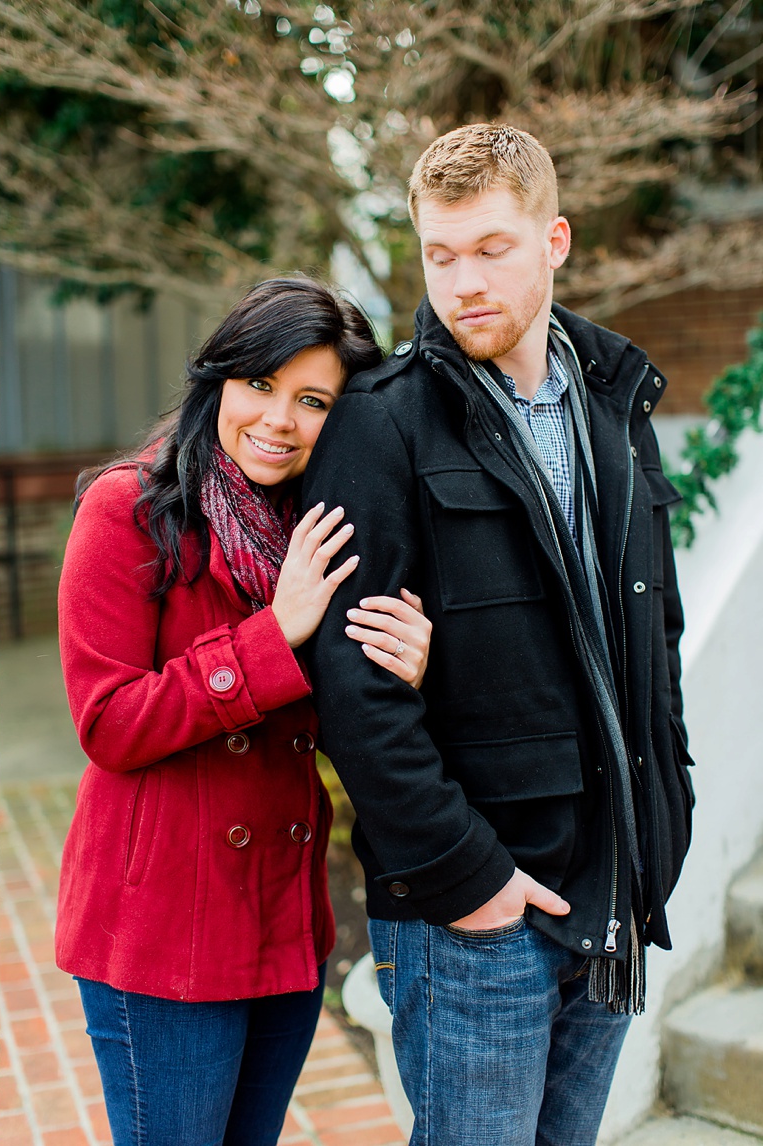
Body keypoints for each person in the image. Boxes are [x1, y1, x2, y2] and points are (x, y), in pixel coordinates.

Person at [302, 123, 693, 1145]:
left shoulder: (616, 408)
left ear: (553, 241)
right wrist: (466, 880)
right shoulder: (379, 424)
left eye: (491, 249)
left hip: (611, 889)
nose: (463, 281)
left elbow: (653, 632)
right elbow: (351, 688)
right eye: (440, 256)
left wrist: (666, 813)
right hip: (470, 919)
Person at [55, 277, 437, 1145]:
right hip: (160, 932)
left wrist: (408, 667)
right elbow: (108, 722)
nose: (277, 419)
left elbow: (349, 714)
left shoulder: (323, 521)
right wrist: (275, 634)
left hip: (282, 921)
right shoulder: (129, 508)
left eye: (312, 400)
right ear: (220, 379)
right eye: (260, 385)